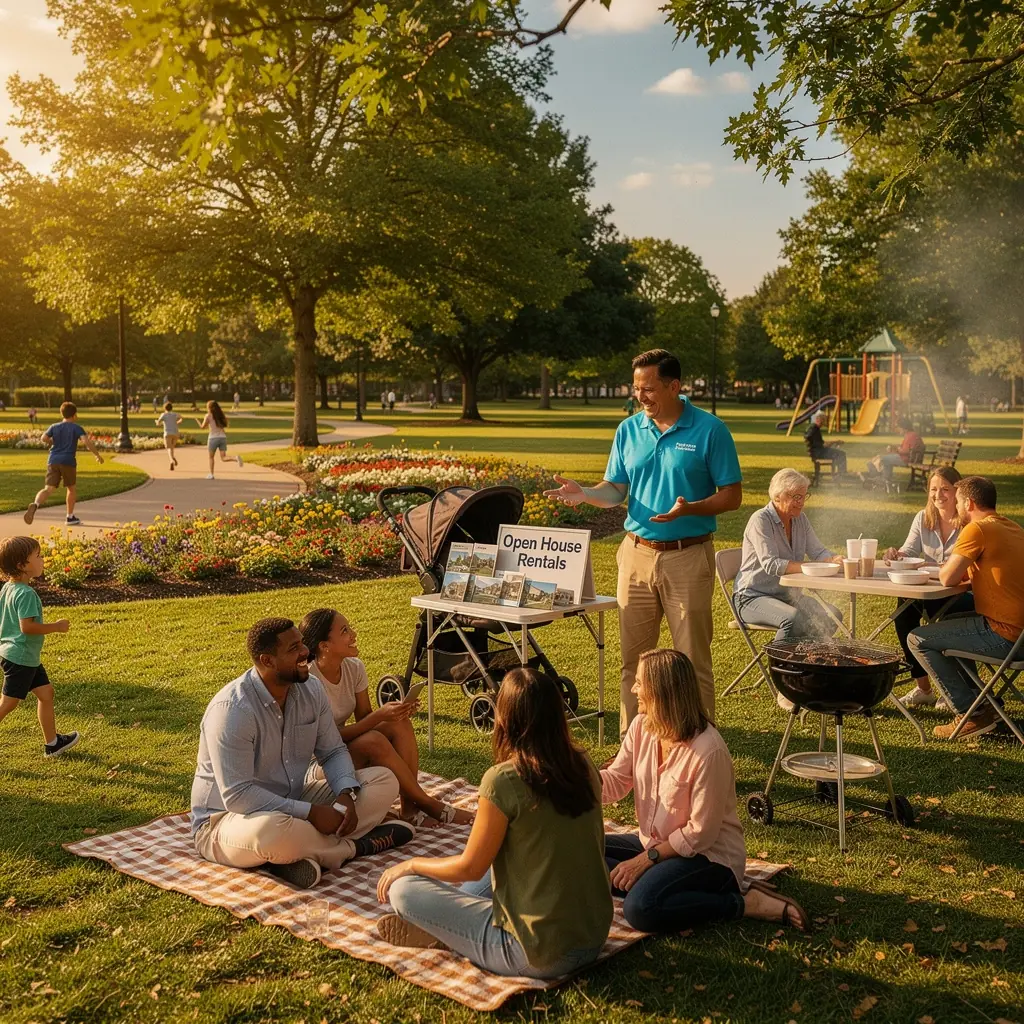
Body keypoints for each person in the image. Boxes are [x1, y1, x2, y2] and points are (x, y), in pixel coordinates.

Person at [544, 349, 743, 731]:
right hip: (635, 555)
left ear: (674, 386)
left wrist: (691, 508)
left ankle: (699, 747)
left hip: (688, 556)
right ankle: (631, 748)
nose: (640, 396)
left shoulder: (710, 430)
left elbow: (732, 496)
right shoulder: (629, 430)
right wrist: (586, 493)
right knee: (633, 663)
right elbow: (616, 489)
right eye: (636, 388)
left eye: (648, 389)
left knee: (692, 662)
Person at [375, 668, 613, 977]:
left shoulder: (504, 780)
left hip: (535, 952)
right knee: (491, 872)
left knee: (403, 890)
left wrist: (410, 865)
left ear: (505, 719)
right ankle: (449, 930)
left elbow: (469, 868)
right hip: (593, 936)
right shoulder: (582, 762)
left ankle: (449, 932)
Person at [191, 617, 414, 889]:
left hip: (293, 799)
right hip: (226, 821)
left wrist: (346, 793)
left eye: (302, 644)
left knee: (384, 780)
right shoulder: (232, 711)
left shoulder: (311, 689)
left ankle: (290, 857)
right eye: (294, 648)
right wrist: (309, 813)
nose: (306, 652)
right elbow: (238, 795)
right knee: (272, 831)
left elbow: (333, 751)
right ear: (267, 660)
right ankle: (355, 847)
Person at [602, 649, 806, 932]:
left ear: (662, 692)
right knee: (582, 851)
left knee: (641, 908)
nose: (633, 689)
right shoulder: (641, 727)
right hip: (656, 844)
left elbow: (700, 834)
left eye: (639, 683)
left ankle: (743, 903)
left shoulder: (708, 751)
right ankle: (657, 885)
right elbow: (616, 780)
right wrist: (571, 781)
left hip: (709, 857)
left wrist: (645, 860)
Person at [298, 608, 474, 827]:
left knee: (398, 723)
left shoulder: (354, 668)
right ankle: (427, 803)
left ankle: (409, 808)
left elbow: (364, 718)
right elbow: (325, 740)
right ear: (324, 646)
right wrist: (378, 717)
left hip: (341, 750)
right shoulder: (308, 682)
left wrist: (395, 712)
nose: (353, 634)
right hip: (317, 763)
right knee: (373, 741)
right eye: (344, 631)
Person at [909, 476, 1024, 740]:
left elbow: (947, 577)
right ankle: (983, 703)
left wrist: (954, 571)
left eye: (959, 502)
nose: (957, 508)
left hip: (1007, 636)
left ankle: (971, 714)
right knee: (949, 619)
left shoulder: (977, 529)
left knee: (918, 638)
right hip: (1021, 634)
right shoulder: (1012, 527)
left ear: (969, 503)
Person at [733, 468, 841, 708]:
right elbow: (771, 564)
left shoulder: (800, 519)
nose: (801, 502)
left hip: (787, 595)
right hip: (751, 597)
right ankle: (785, 686)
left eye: (803, 496)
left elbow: (818, 551)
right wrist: (811, 566)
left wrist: (833, 559)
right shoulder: (760, 520)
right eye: (795, 496)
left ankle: (805, 671)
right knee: (792, 619)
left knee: (832, 615)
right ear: (777, 496)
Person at [884, 467, 973, 709]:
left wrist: (935, 568)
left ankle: (954, 688)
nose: (938, 495)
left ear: (958, 491)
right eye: (934, 489)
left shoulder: (968, 522)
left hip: (962, 592)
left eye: (945, 489)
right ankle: (923, 688)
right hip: (931, 590)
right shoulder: (923, 517)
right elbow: (909, 551)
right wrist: (897, 555)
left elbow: (965, 567)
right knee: (903, 611)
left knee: (943, 615)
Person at [0, 537, 79, 758]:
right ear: (22, 565)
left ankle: (52, 744)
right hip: (21, 657)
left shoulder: (8, 588)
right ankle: (52, 743)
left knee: (46, 693)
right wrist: (56, 627)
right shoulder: (25, 594)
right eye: (38, 556)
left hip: (21, 655)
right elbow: (27, 627)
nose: (43, 559)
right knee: (8, 704)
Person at [23, 402, 104, 528]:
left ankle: (35, 504)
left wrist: (52, 442)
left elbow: (43, 438)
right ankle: (70, 517)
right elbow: (86, 442)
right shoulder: (76, 428)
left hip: (53, 460)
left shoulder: (54, 426)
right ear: (74, 415)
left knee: (48, 489)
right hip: (68, 461)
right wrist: (97, 455)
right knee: (71, 489)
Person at [861, 417, 922, 487]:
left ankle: (883, 479)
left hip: (906, 459)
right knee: (883, 458)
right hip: (910, 458)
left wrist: (896, 449)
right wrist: (895, 448)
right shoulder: (912, 434)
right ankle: (883, 479)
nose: (897, 430)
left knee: (883, 459)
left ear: (904, 428)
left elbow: (905, 451)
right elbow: (906, 449)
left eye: (898, 427)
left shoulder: (910, 436)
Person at [195, 400, 243, 479]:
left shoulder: (208, 415)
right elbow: (222, 427)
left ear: (209, 408)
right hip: (222, 438)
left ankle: (211, 474)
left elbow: (202, 427)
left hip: (213, 438)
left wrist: (197, 420)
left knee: (211, 457)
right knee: (223, 457)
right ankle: (235, 458)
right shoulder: (220, 415)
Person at [803, 411, 847, 475]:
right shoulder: (815, 429)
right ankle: (842, 474)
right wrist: (836, 441)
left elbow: (821, 444)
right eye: (823, 419)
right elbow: (824, 445)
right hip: (819, 453)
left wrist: (834, 443)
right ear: (818, 419)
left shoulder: (812, 428)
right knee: (841, 454)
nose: (824, 422)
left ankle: (840, 474)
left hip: (816, 452)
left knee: (837, 453)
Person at [156, 402, 183, 470]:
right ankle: (173, 458)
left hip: (167, 433)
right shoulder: (175, 414)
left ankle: (171, 461)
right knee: (172, 448)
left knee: (168, 448)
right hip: (175, 433)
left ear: (164, 408)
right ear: (171, 408)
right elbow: (181, 418)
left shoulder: (163, 415)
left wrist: (158, 422)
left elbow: (158, 423)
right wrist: (178, 422)